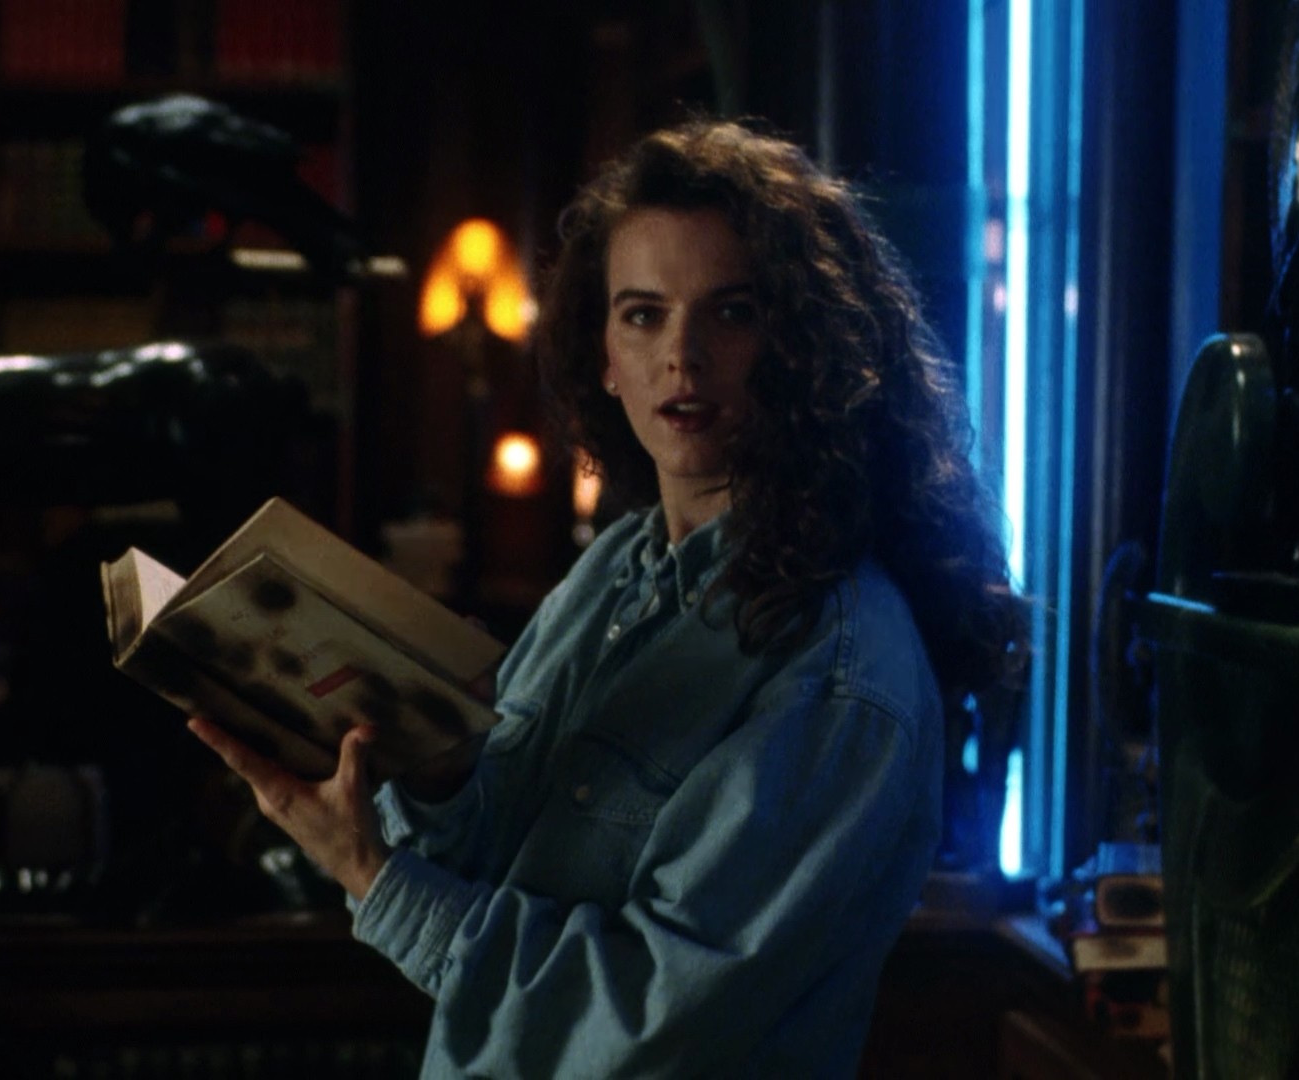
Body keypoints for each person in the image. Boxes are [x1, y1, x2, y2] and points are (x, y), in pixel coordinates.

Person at [189, 117, 1028, 1078]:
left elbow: (648, 1020)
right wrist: (437, 771)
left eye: (733, 312)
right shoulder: (614, 569)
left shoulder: (841, 666)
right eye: (643, 314)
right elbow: (492, 873)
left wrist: (372, 876)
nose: (683, 356)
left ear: (804, 346)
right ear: (603, 356)